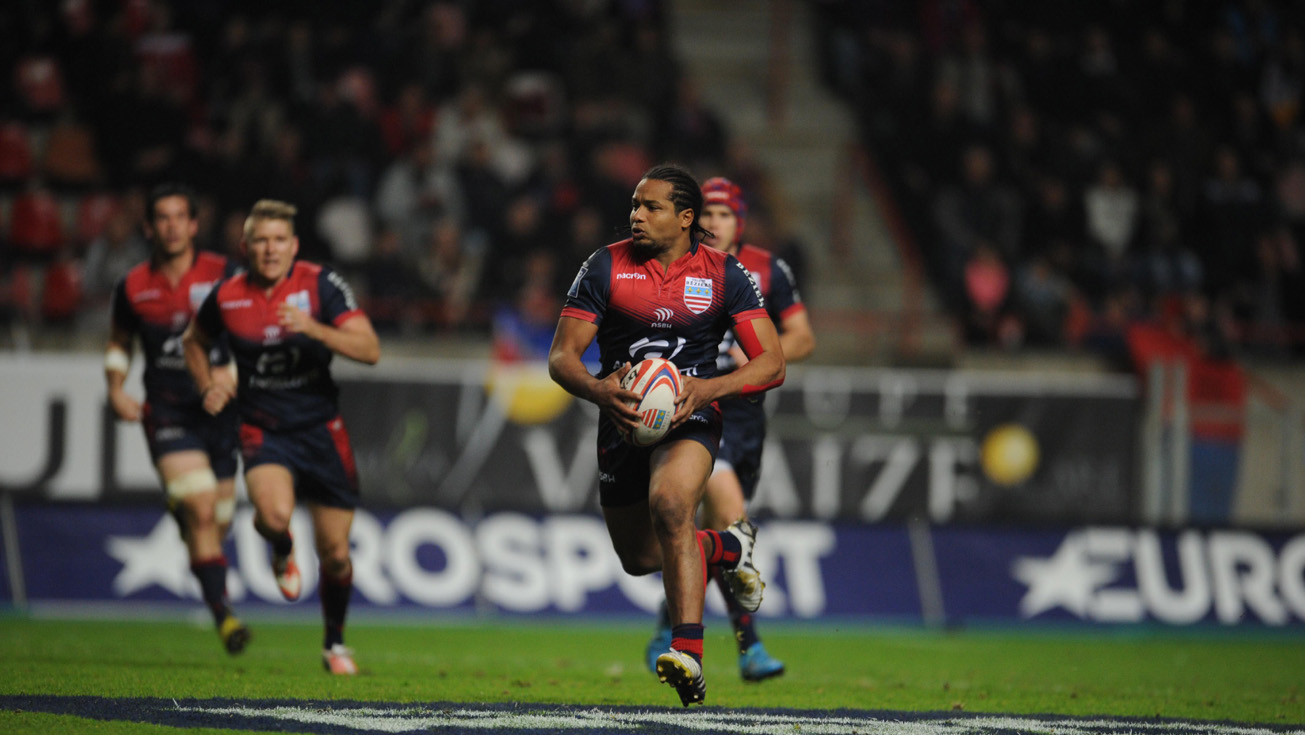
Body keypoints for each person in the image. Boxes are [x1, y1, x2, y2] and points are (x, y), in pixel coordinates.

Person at [548, 164, 786, 706]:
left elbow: (771, 363)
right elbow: (562, 357)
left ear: (684, 217)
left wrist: (707, 390)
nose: (636, 215)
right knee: (638, 557)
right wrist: (599, 391)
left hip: (691, 417)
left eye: (650, 206)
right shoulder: (605, 265)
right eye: (635, 204)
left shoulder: (724, 273)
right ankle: (728, 546)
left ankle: (688, 655)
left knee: (672, 504)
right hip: (621, 420)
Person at [181, 199, 380, 675]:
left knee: (336, 554)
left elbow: (369, 349)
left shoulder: (321, 285)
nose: (270, 249)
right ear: (245, 246)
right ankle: (282, 546)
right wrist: (207, 385)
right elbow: (193, 342)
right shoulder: (227, 295)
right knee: (273, 516)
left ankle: (334, 644)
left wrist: (315, 329)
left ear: (294, 246)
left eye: (279, 240)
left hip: (321, 430)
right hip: (263, 429)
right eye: (261, 241)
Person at [644, 177, 815, 682]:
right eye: (707, 214)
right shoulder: (678, 264)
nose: (714, 222)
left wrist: (761, 352)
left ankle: (668, 622)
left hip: (746, 416)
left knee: (709, 532)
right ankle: (749, 645)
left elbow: (802, 337)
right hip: (696, 409)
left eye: (724, 214)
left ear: (740, 222)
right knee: (730, 520)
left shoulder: (766, 270)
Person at [105, 183, 248, 654]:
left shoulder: (224, 274)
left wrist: (232, 375)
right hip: (168, 412)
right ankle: (224, 617)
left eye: (179, 217)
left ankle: (183, 511)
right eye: (162, 218)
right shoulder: (132, 286)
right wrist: (116, 388)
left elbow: (251, 330)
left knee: (217, 522)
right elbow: (119, 342)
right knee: (201, 508)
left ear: (194, 225)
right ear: (149, 227)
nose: (171, 226)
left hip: (220, 413)